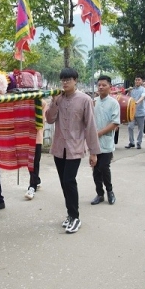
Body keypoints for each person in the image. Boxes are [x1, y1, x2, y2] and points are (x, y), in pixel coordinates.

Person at [45, 68, 100, 234]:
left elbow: (90, 126)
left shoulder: (85, 100)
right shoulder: (58, 99)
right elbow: (49, 118)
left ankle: (75, 217)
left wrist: (93, 151)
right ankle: (70, 214)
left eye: (68, 79)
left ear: (75, 80)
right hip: (58, 148)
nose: (65, 82)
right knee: (64, 182)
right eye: (62, 79)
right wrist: (54, 102)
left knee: (69, 180)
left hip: (75, 148)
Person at [91, 75, 120, 205]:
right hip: (94, 142)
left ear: (110, 87)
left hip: (106, 140)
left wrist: (100, 133)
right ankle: (99, 194)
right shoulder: (93, 102)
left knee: (104, 167)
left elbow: (115, 123)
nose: (101, 87)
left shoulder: (114, 103)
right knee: (95, 169)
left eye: (104, 85)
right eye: (99, 85)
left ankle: (110, 191)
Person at [25, 99, 46, 200]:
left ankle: (32, 186)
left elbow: (41, 121)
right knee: (29, 163)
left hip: (36, 138)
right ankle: (36, 180)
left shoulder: (42, 103)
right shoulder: (23, 102)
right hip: (25, 138)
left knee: (34, 163)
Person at [124, 76, 145, 150]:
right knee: (130, 127)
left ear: (141, 81)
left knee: (141, 128)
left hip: (140, 112)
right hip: (132, 112)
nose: (137, 81)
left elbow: (143, 97)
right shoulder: (132, 89)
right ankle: (131, 142)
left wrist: (137, 102)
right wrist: (128, 91)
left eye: (138, 80)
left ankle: (139, 143)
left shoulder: (143, 89)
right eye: (136, 80)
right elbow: (127, 98)